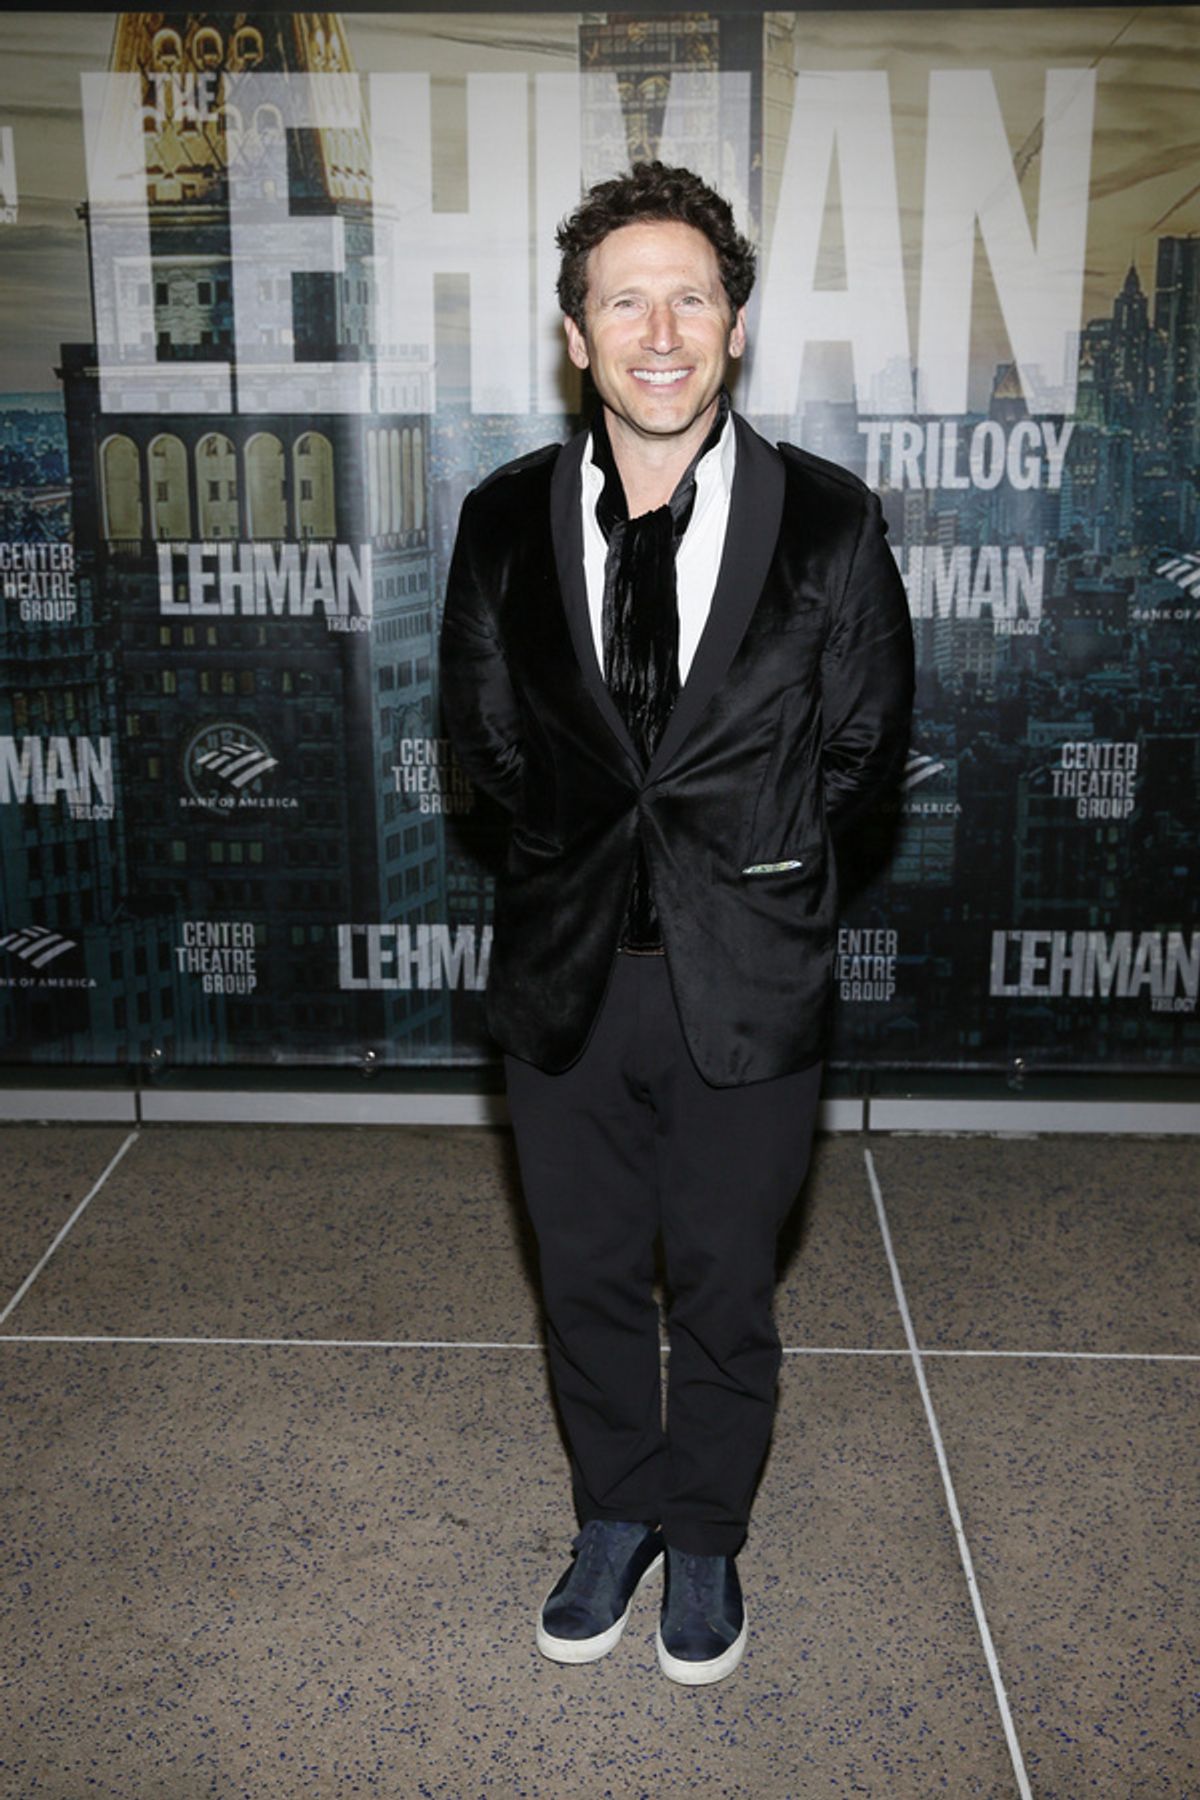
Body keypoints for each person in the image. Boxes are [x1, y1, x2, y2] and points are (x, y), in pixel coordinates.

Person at [440, 161, 913, 1685]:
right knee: (578, 1276)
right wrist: (589, 861)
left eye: (690, 296)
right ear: (576, 334)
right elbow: (490, 742)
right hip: (565, 972)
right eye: (623, 299)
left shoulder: (830, 524)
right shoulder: (502, 516)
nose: (660, 330)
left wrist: (742, 873)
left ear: (735, 325)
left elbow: (858, 752)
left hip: (747, 983)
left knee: (722, 1278)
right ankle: (614, 1513)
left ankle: (704, 1529)